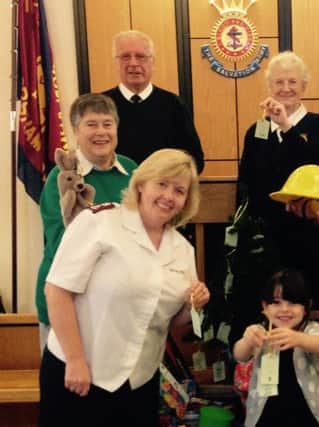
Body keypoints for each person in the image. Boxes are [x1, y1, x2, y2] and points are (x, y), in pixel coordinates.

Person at [39, 149, 210, 427]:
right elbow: (57, 291)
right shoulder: (99, 222)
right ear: (141, 184)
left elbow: (170, 322)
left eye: (179, 190)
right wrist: (75, 361)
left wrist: (193, 305)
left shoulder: (184, 251)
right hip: (80, 372)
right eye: (162, 184)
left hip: (138, 382)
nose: (169, 195)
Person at [235, 50, 319, 341]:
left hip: (307, 235)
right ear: (270, 87)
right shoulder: (257, 130)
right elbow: (246, 182)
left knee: (309, 301)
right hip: (267, 240)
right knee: (271, 306)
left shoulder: (318, 126)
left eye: (292, 81)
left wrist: (287, 128)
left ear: (304, 86)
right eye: (279, 82)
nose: (286, 88)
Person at [35, 93, 138, 353]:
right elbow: (63, 242)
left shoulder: (132, 170)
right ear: (76, 130)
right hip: (67, 299)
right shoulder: (61, 178)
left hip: (116, 300)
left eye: (107, 124)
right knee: (69, 383)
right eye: (91, 124)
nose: (101, 132)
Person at [233, 269, 319, 427]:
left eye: (292, 302)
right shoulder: (261, 331)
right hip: (265, 416)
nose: (285, 309)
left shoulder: (309, 329)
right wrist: (247, 340)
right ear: (265, 306)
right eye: (276, 302)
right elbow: (239, 355)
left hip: (307, 416)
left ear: (306, 307)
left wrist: (298, 339)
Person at [103, 30, 204, 173]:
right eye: (125, 57)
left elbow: (194, 160)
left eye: (141, 57)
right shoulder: (100, 105)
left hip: (163, 190)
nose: (133, 63)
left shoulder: (174, 105)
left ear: (152, 62)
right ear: (116, 62)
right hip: (114, 191)